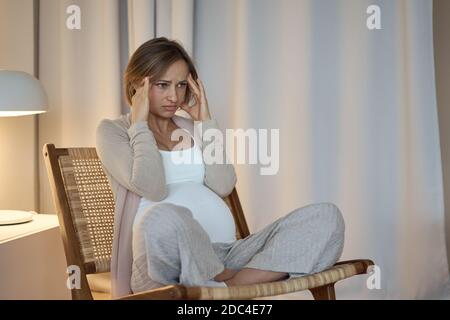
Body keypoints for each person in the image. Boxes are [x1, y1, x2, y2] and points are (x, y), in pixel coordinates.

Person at [96, 37, 345, 298]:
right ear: (137, 84)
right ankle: (222, 280)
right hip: (161, 260)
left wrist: (205, 121)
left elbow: (223, 184)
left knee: (326, 216)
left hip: (228, 256)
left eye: (181, 85)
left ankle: (226, 287)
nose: (174, 96)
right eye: (162, 85)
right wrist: (139, 124)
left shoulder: (190, 128)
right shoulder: (114, 131)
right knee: (162, 216)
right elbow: (153, 189)